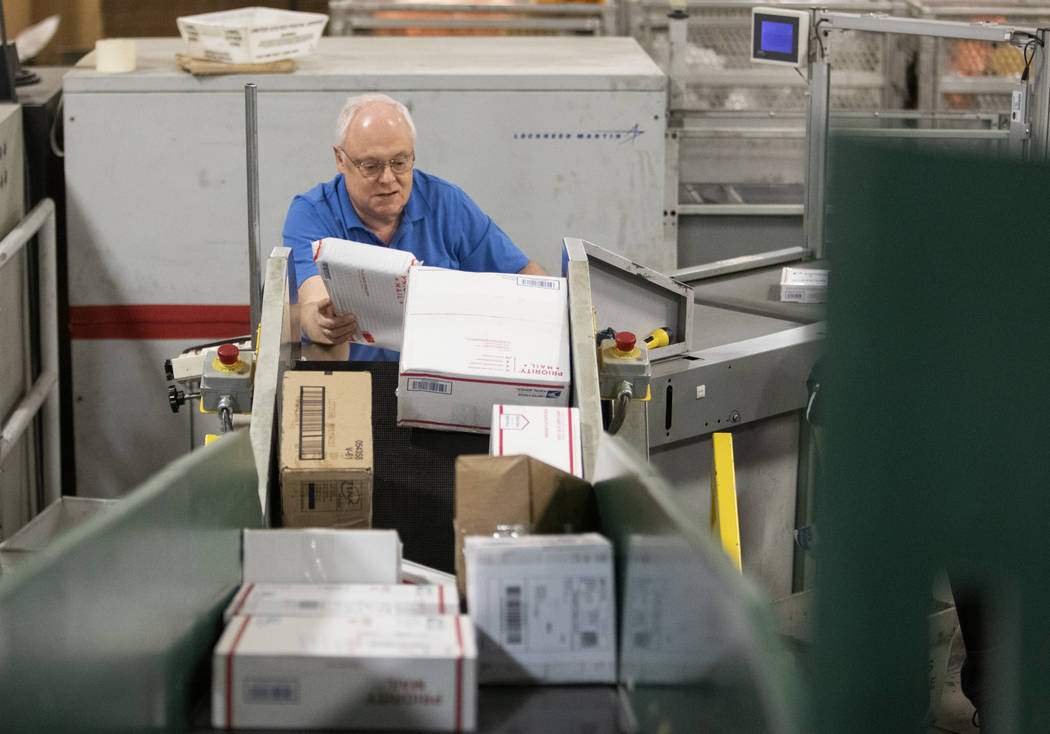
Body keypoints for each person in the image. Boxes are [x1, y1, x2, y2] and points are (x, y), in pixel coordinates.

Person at [283, 93, 546, 361]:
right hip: (354, 384)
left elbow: (525, 275)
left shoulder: (446, 203)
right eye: (371, 166)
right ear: (340, 159)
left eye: (399, 162)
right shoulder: (313, 213)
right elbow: (311, 303)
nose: (387, 179)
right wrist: (323, 322)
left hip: (439, 380)